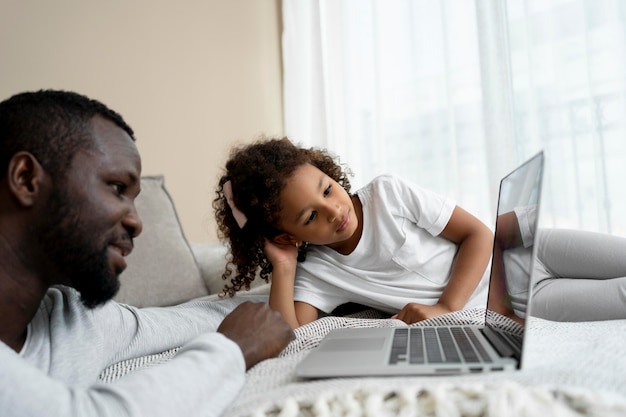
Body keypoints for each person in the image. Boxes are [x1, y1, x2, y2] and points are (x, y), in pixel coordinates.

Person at [0, 90, 294, 417]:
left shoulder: (73, 321)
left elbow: (183, 320)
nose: (137, 222)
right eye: (116, 188)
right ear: (26, 179)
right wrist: (234, 349)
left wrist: (299, 282)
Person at [214, 137, 494, 329]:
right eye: (311, 216)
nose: (334, 211)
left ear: (329, 174)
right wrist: (284, 265)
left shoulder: (388, 194)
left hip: (502, 274)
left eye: (327, 190)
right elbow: (291, 333)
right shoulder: (317, 271)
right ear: (288, 237)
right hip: (481, 315)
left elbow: (480, 234)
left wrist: (446, 306)